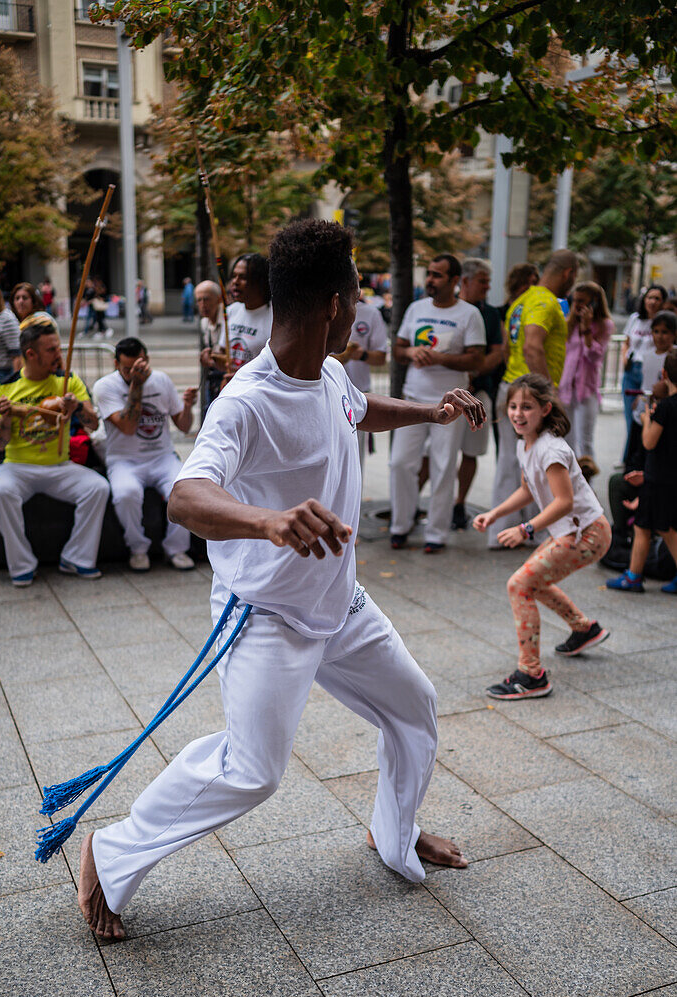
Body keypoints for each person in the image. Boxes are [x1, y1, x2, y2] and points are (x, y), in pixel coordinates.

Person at [77, 218, 486, 941]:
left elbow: (361, 410)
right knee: (252, 770)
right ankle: (111, 852)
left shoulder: (330, 372)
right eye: (358, 290)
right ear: (334, 303)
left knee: (414, 709)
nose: (362, 304)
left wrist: (432, 408)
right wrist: (268, 522)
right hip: (266, 615)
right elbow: (186, 496)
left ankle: (394, 834)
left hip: (342, 604)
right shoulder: (246, 400)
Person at [473, 374, 611, 700]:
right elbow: (526, 489)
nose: (518, 414)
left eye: (528, 407)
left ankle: (531, 674)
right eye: (513, 407)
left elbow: (564, 501)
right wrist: (494, 514)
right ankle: (583, 628)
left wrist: (525, 529)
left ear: (546, 409)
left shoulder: (551, 449)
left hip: (586, 533)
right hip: (573, 530)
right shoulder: (527, 443)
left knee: (520, 585)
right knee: (531, 582)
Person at [0, 316, 109, 586]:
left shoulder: (67, 381)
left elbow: (94, 423)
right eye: (51, 350)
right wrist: (6, 419)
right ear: (30, 354)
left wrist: (78, 406)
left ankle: (76, 557)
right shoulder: (4, 387)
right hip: (17, 466)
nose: (59, 354)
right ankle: (21, 565)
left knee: (97, 488)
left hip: (59, 466)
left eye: (58, 347)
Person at [389, 253, 485, 552]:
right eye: (429, 273)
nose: (430, 279)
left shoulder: (469, 314)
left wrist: (440, 358)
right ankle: (400, 525)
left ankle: (436, 534)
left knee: (444, 467)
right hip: (413, 400)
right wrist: (411, 354)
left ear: (455, 281)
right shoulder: (416, 308)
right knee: (400, 463)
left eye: (437, 275)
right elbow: (399, 348)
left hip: (451, 404)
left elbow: (477, 358)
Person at [487, 249, 578, 549]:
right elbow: (533, 346)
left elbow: (507, 349)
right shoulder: (543, 300)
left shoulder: (521, 300)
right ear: (569, 274)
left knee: (516, 464)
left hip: (513, 387)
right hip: (530, 392)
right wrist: (546, 392)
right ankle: (540, 533)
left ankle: (505, 532)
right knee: (543, 464)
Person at [92, 337, 197, 572]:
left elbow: (183, 426)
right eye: (126, 369)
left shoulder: (162, 380)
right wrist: (136, 385)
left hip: (162, 456)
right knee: (126, 494)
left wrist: (188, 406)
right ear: (115, 364)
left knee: (185, 492)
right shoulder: (105, 386)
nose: (131, 373)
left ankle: (176, 549)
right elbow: (128, 428)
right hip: (124, 460)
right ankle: (138, 549)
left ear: (147, 360)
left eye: (137, 366)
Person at [607, 350, 677, 594]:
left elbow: (648, 442)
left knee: (652, 528)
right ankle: (635, 574)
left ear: (665, 374)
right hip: (670, 477)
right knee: (659, 528)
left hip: (657, 479)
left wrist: (648, 417)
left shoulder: (666, 408)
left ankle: (634, 577)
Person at [452, 258, 504, 529]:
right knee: (433, 453)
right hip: (448, 394)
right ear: (466, 281)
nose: (488, 286)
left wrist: (475, 372)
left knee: (470, 452)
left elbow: (498, 350)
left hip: (480, 392)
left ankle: (459, 503)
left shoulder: (491, 314)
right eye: (483, 281)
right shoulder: (450, 310)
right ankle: (418, 504)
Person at [559, 282, 615, 463]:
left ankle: (587, 484)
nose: (577, 305)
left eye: (582, 301)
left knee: (585, 441)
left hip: (587, 389)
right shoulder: (568, 323)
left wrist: (586, 328)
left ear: (595, 303)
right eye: (575, 301)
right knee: (566, 440)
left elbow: (594, 356)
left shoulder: (604, 325)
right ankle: (568, 485)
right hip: (566, 388)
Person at [334, 291, 388, 472]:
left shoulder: (371, 313)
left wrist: (360, 354)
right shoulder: (320, 308)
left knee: (353, 465)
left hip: (357, 397)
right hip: (324, 393)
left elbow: (381, 357)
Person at [621, 284, 668, 456]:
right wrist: (624, 358)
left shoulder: (663, 322)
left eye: (657, 298)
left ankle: (636, 455)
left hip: (650, 372)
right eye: (650, 297)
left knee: (644, 415)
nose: (653, 302)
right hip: (632, 369)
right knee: (629, 416)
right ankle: (627, 456)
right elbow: (626, 342)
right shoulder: (635, 318)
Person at [218, 253, 272, 376]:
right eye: (234, 276)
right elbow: (223, 352)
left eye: (243, 277)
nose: (235, 282)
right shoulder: (231, 311)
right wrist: (211, 358)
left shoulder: (277, 318)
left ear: (260, 282)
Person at [196, 280, 226, 415]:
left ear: (218, 299)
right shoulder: (204, 323)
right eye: (199, 300)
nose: (203, 305)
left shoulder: (228, 319)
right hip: (214, 377)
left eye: (206, 300)